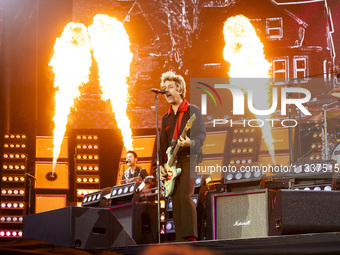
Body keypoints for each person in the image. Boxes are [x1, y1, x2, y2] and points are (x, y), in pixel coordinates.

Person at [159, 71, 206, 242]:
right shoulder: (165, 118)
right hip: (172, 164)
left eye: (170, 87)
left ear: (180, 89)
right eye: (165, 89)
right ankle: (180, 240)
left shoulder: (192, 111)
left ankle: (191, 237)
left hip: (190, 158)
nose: (167, 91)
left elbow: (201, 135)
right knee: (175, 201)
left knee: (185, 195)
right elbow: (162, 146)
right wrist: (160, 167)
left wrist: (190, 143)